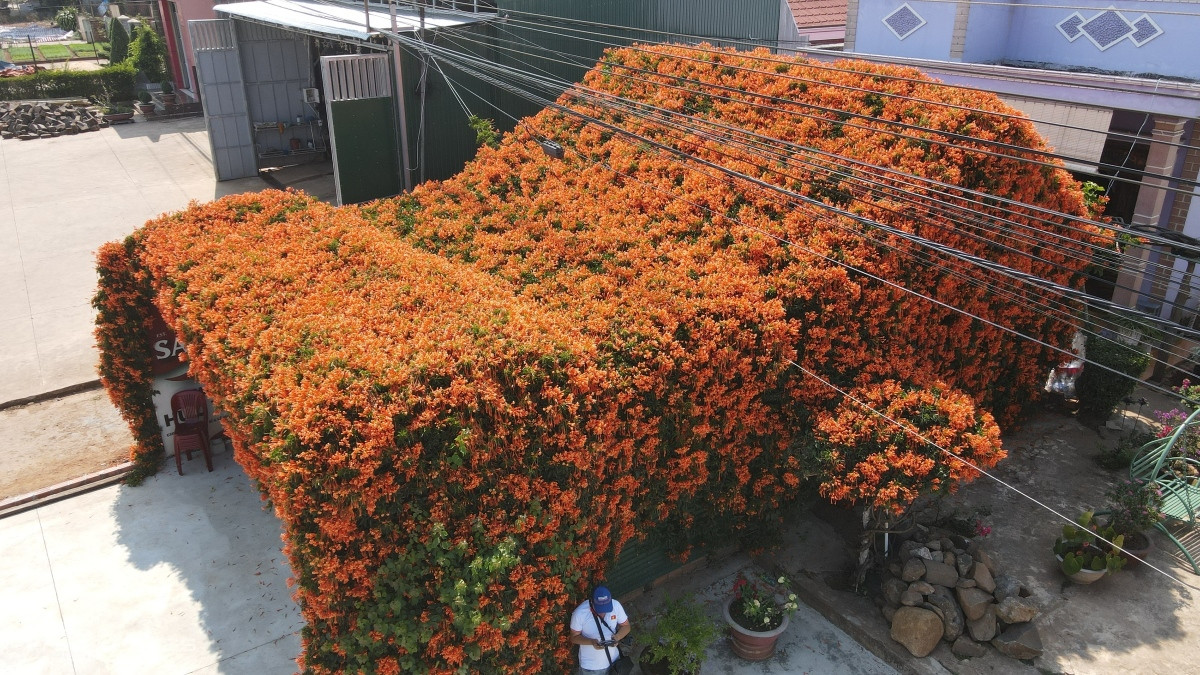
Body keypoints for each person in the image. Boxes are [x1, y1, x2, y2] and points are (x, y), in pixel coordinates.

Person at [568, 585, 630, 674]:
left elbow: (626, 626)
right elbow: (574, 637)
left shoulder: (616, 605)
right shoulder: (579, 613)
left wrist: (618, 637)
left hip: (615, 662)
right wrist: (591, 642)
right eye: (599, 609)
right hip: (591, 667)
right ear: (592, 601)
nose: (603, 612)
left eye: (606, 608)